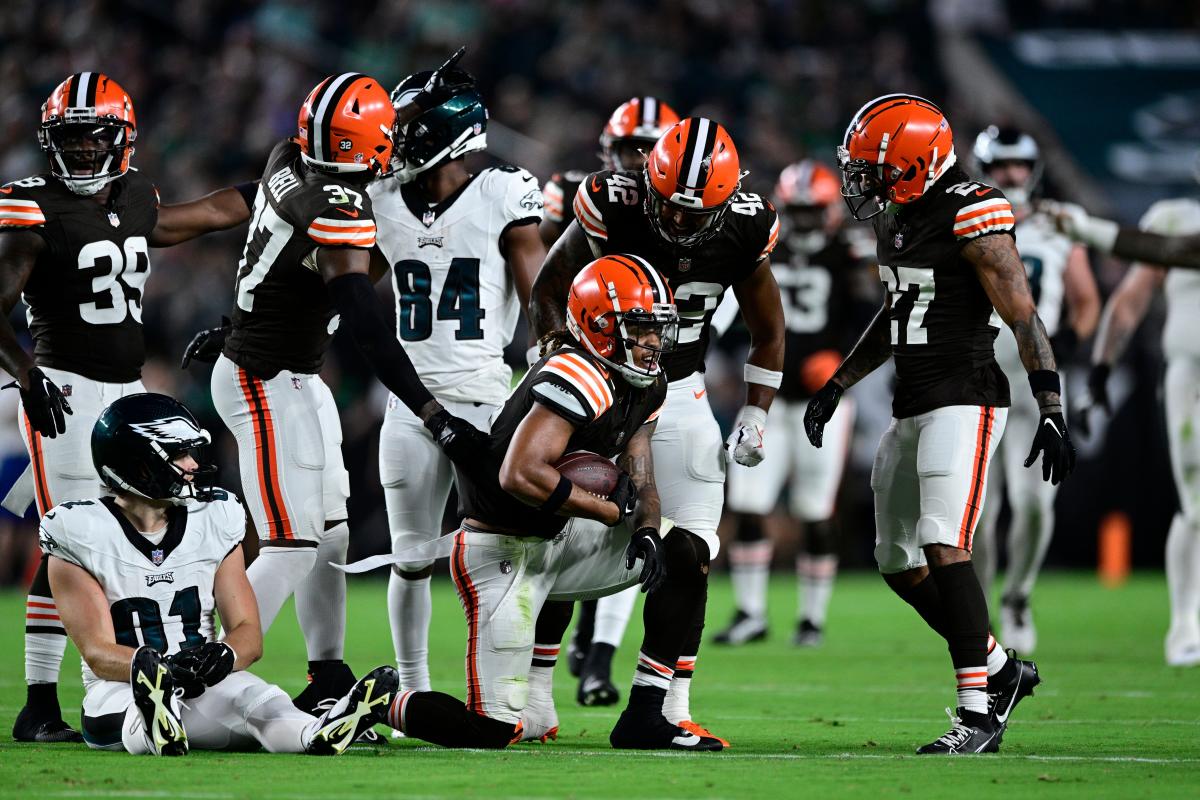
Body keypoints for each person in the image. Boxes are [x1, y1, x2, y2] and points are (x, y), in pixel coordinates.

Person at [188, 67, 482, 717]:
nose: (396, 141)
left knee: (332, 534)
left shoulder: (290, 157)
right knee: (292, 542)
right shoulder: (338, 204)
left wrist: (242, 319)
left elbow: (276, 249)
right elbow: (364, 318)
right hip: (266, 378)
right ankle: (196, 676)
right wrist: (430, 409)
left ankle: (326, 676)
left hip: (291, 368)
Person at [805, 94, 1073, 754]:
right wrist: (839, 380)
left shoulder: (973, 210)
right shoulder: (900, 216)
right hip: (912, 401)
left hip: (967, 397)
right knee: (894, 561)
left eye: (874, 169)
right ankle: (1003, 670)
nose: (864, 183)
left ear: (916, 162)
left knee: (941, 540)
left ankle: (977, 712)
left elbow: (1023, 316)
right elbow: (899, 309)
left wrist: (1052, 406)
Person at [0, 72, 255, 743]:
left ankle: (102, 686)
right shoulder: (33, 206)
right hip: (63, 387)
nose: (83, 152)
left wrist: (274, 194)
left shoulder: (137, 194)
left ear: (123, 139)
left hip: (128, 393)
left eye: (95, 138)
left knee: (114, 538)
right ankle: (48, 704)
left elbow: (188, 218)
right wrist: (26, 373)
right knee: (71, 539)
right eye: (72, 140)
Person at [379, 255, 720, 751]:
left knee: (686, 552)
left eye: (657, 329)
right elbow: (520, 474)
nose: (653, 343)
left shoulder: (647, 382)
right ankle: (375, 700)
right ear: (601, 326)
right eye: (641, 328)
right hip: (501, 551)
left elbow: (640, 467)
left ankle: (646, 714)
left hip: (557, 535)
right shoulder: (576, 371)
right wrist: (607, 510)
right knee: (491, 731)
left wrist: (645, 527)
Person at [529, 117, 785, 743]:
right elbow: (547, 288)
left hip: (680, 391)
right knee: (566, 534)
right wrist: (559, 362)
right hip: (603, 388)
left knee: (693, 549)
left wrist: (754, 412)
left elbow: (769, 329)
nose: (678, 222)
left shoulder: (748, 225)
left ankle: (662, 706)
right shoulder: (611, 201)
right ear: (648, 178)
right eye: (668, 205)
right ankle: (534, 695)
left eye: (696, 213)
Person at [43, 392, 398, 756]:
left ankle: (318, 732)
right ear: (138, 464)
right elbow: (98, 653)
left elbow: (247, 631)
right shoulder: (79, 530)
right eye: (179, 453)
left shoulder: (213, 517)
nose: (192, 464)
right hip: (118, 688)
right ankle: (154, 719)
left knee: (260, 701)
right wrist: (155, 670)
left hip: (202, 683)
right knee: (135, 712)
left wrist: (223, 656)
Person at [367, 66, 546, 698]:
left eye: (410, 125)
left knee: (497, 554)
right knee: (412, 555)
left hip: (486, 399)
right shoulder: (381, 196)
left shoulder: (504, 192)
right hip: (410, 404)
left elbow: (541, 303)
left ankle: (504, 690)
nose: (397, 138)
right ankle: (411, 689)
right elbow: (349, 292)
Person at [539, 94, 681, 704]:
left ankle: (598, 660)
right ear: (609, 149)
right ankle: (545, 664)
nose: (641, 157)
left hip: (644, 371)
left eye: (651, 147)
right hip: (584, 361)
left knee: (635, 512)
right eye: (631, 147)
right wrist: (548, 345)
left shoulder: (687, 211)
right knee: (566, 510)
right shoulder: (590, 195)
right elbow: (546, 277)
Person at [716, 159, 876, 647]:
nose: (804, 222)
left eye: (812, 212)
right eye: (798, 212)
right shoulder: (762, 252)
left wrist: (839, 361)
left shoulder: (849, 256)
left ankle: (811, 619)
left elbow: (871, 320)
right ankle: (750, 613)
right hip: (767, 401)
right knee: (747, 505)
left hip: (821, 405)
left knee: (814, 510)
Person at [1043, 193, 1200, 667]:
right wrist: (1101, 368)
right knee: (1195, 505)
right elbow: (1133, 296)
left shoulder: (1177, 233)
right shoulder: (1173, 214)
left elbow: (1176, 251)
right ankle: (1185, 627)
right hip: (1190, 375)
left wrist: (1086, 228)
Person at [969, 126, 1100, 654]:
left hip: (1032, 384)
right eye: (1000, 165)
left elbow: (1086, 300)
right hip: (977, 376)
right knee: (977, 511)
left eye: (1018, 165)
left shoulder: (1054, 223)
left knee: (1035, 506)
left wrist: (1065, 343)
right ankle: (979, 617)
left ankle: (1018, 595)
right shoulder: (965, 219)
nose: (1011, 176)